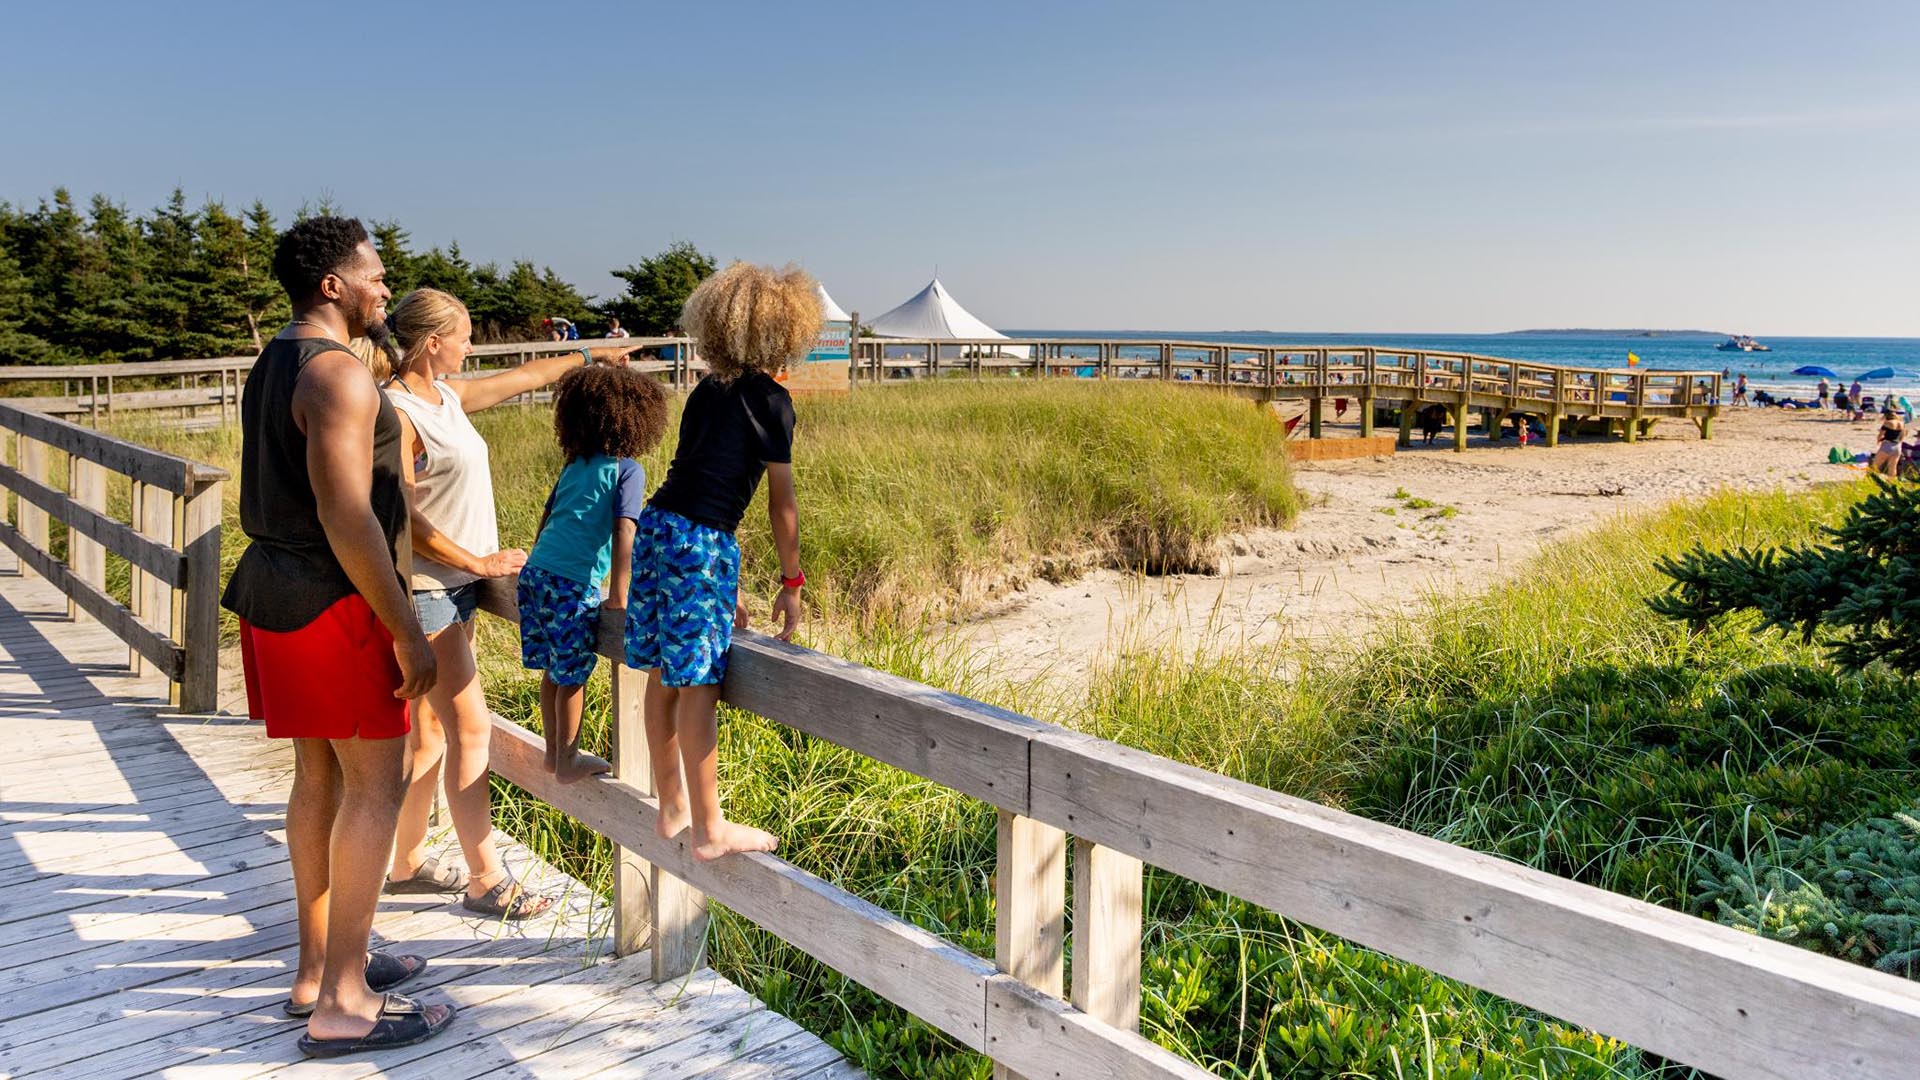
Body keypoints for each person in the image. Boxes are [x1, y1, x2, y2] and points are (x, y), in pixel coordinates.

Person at [220, 216, 454, 1055]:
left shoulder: (277, 357)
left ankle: (319, 969)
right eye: (376, 276)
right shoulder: (337, 376)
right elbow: (347, 515)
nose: (386, 289)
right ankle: (344, 1005)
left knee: (317, 779)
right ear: (333, 285)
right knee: (375, 790)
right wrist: (407, 631)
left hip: (277, 597)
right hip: (335, 604)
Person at [378, 288, 638, 918]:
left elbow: (525, 375)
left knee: (432, 733)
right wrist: (476, 561)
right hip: (428, 591)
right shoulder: (397, 411)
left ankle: (406, 863)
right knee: (470, 729)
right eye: (464, 336)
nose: (472, 347)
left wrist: (592, 358)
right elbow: (399, 514)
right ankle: (486, 879)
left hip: (458, 589)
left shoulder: (447, 397)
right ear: (432, 341)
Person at [626, 262, 814, 862]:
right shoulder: (773, 401)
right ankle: (710, 828)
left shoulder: (706, 390)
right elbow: (781, 505)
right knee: (700, 684)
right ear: (785, 334)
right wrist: (792, 581)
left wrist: (721, 587)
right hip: (701, 541)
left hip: (659, 527)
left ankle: (671, 803)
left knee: (662, 672)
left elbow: (698, 470)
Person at [519, 364, 669, 782]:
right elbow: (625, 530)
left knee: (554, 667)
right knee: (573, 675)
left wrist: (537, 561)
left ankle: (552, 753)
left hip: (536, 574)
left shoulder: (575, 464)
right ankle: (567, 760)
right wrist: (619, 596)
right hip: (572, 582)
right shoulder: (627, 469)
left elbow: (547, 518)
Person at [1871, 406, 1906, 477]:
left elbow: (1881, 435)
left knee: (1875, 465)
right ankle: (1892, 483)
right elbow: (1903, 435)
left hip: (1887, 445)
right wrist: (1900, 442)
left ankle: (1869, 480)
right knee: (1892, 467)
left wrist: (1878, 441)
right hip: (1897, 447)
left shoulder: (1887, 423)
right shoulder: (1901, 423)